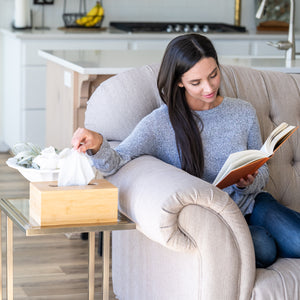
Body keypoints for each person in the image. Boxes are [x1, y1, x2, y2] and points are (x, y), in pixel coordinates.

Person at [72, 33, 300, 268]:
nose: (209, 87)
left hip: (254, 203)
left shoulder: (243, 112)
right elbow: (117, 162)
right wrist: (97, 144)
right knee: (264, 246)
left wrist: (247, 181)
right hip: (215, 219)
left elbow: (261, 173)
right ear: (179, 81)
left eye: (213, 75)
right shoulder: (160, 123)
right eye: (196, 82)